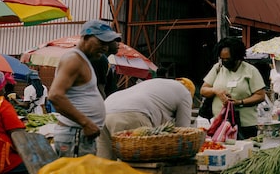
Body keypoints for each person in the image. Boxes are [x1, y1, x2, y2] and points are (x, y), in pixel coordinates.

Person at [49, 20, 119, 157]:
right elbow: (55, 95)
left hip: (79, 135)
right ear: (86, 38)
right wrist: (86, 123)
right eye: (101, 42)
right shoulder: (73, 60)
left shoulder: (84, 60)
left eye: (107, 44)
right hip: (75, 135)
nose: (105, 48)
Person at [96, 77, 196, 159]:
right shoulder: (185, 94)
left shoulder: (157, 83)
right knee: (137, 167)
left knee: (104, 165)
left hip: (105, 110)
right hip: (132, 113)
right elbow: (182, 132)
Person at [200, 37, 267, 140]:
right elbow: (203, 90)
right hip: (220, 124)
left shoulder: (250, 71)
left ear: (238, 57)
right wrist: (215, 91)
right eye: (223, 59)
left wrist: (240, 102)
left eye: (229, 59)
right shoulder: (218, 68)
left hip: (245, 126)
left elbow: (260, 95)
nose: (225, 62)